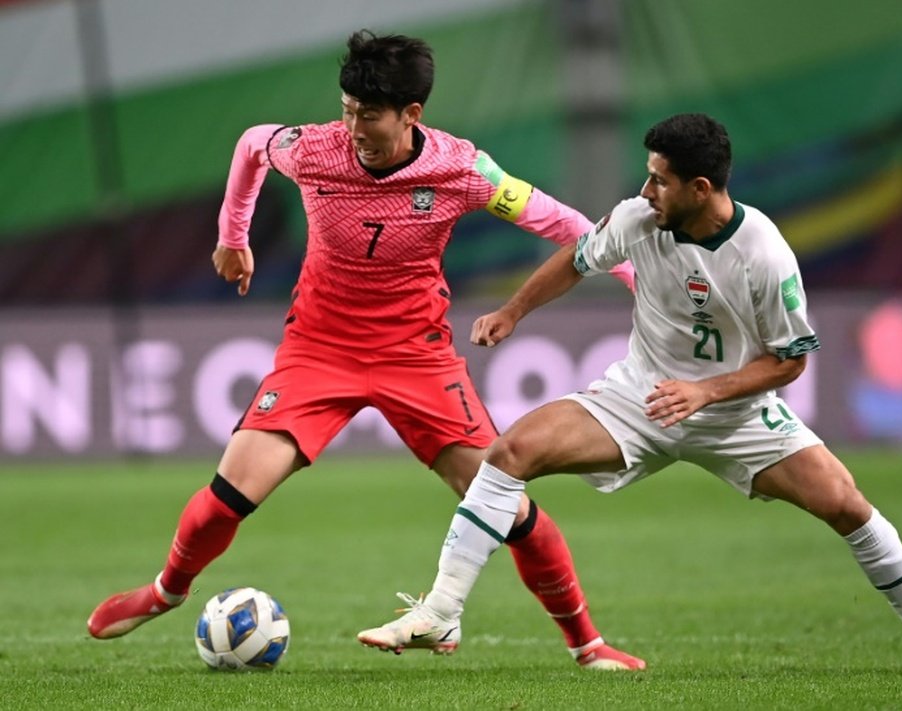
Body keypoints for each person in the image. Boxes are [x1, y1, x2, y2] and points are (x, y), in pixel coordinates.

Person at [86, 30, 645, 671]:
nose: (352, 126)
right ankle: (165, 592)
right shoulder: (312, 147)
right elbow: (249, 146)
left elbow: (565, 225)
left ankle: (587, 643)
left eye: (368, 115)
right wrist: (232, 235)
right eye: (347, 107)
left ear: (413, 115)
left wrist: (635, 280)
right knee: (233, 487)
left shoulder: (463, 169)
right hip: (318, 349)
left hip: (418, 355)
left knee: (506, 502)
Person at [356, 113, 902, 676]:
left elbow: (790, 361)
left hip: (735, 413)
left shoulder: (763, 255)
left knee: (847, 505)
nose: (645, 190)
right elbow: (576, 260)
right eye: (648, 176)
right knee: (510, 453)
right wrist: (513, 312)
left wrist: (705, 393)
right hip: (640, 399)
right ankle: (441, 610)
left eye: (659, 180)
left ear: (700, 189)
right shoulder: (638, 219)